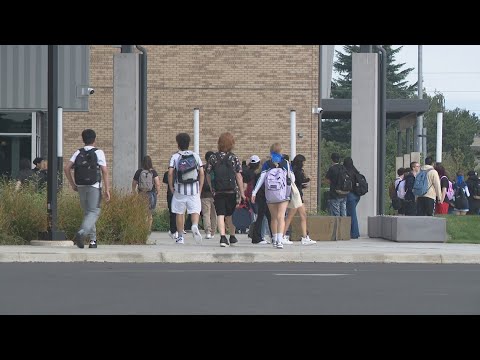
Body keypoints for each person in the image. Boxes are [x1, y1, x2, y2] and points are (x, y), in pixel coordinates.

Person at [64, 129, 111, 249]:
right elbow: (104, 171)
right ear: (94, 140)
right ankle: (82, 233)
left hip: (80, 186)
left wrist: (73, 184)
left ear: (83, 139)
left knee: (88, 213)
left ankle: (93, 241)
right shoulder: (99, 152)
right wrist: (107, 189)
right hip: (94, 185)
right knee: (94, 211)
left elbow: (66, 168)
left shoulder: (78, 152)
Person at [206, 132, 245, 247]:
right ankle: (232, 236)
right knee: (231, 214)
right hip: (232, 191)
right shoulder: (234, 158)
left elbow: (208, 173)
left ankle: (223, 237)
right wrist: (242, 192)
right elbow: (238, 176)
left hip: (218, 191)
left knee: (220, 214)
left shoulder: (213, 157)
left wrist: (212, 187)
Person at [251, 143, 290, 249]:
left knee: (273, 218)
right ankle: (279, 240)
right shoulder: (285, 163)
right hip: (282, 194)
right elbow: (291, 178)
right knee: (281, 217)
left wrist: (254, 192)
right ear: (281, 151)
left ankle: (274, 239)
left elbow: (261, 179)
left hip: (270, 194)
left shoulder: (267, 164)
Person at [168, 133, 204, 244]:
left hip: (180, 189)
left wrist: (171, 187)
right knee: (195, 209)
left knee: (179, 212)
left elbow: (170, 173)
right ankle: (194, 225)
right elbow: (202, 172)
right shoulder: (195, 156)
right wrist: (200, 187)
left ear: (178, 144)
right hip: (194, 188)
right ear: (189, 143)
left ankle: (180, 237)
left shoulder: (175, 157)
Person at [282, 154, 316, 245]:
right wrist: (309, 179)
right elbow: (300, 180)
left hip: (297, 195)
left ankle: (304, 236)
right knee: (291, 216)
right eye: (303, 162)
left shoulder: (293, 169)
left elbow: (297, 183)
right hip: (296, 196)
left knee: (302, 215)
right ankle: (283, 235)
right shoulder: (297, 171)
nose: (304, 164)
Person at [132, 155, 161, 231]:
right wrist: (158, 191)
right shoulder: (153, 172)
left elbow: (134, 183)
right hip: (151, 193)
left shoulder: (139, 171)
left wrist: (134, 191)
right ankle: (148, 229)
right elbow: (157, 183)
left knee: (142, 212)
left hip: (141, 193)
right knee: (150, 213)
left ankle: (142, 229)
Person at [343, 157, 362, 239]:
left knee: (351, 214)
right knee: (352, 213)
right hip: (357, 195)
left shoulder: (346, 172)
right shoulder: (356, 172)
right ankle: (354, 232)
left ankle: (354, 233)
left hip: (350, 195)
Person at [201, 151, 217, 239]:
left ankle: (208, 232)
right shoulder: (216, 168)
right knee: (214, 214)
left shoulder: (202, 168)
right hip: (215, 194)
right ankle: (213, 232)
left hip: (204, 194)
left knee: (206, 213)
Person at [163, 169, 178, 239]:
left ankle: (173, 230)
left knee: (172, 213)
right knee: (179, 213)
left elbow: (165, 181)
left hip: (170, 194)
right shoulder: (180, 173)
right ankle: (177, 230)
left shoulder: (167, 173)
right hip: (179, 194)